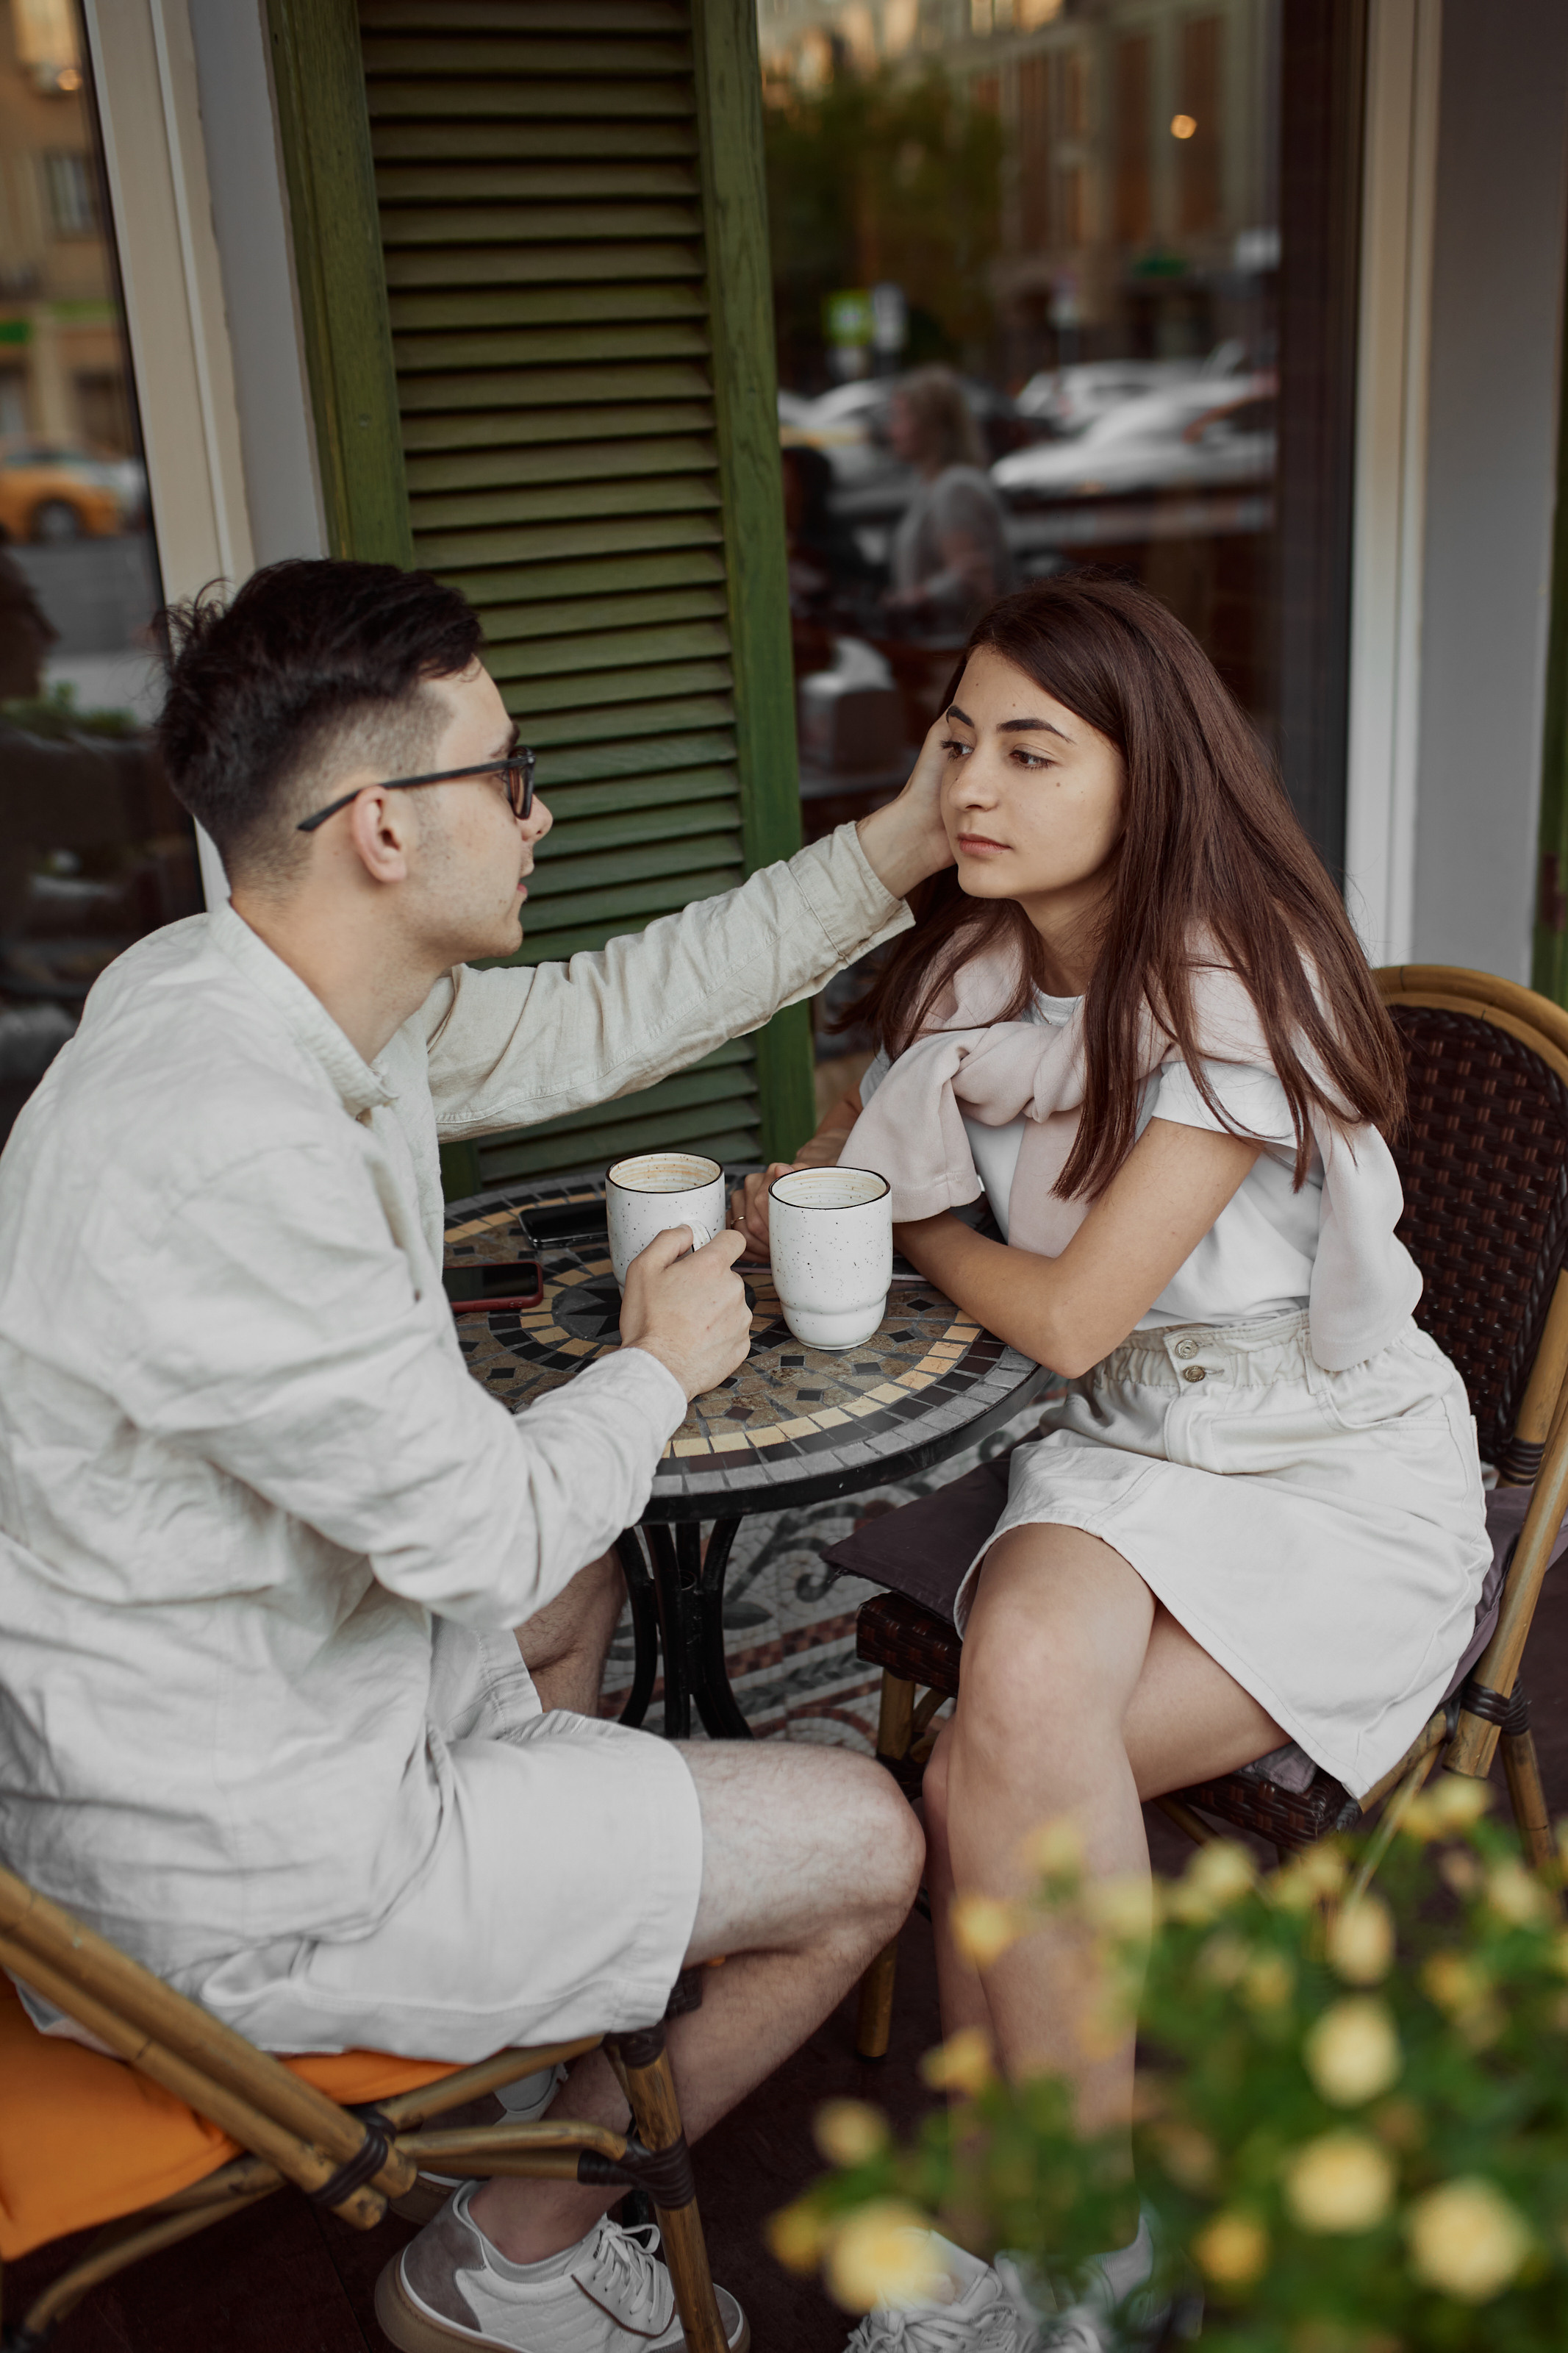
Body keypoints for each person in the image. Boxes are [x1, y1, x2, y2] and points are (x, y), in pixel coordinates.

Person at [0, 558, 942, 2353]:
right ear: (378, 826)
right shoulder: (231, 1152)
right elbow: (482, 1541)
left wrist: (890, 849)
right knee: (864, 1841)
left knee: (593, 1577)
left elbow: (612, 1008)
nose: (541, 809)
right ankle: (505, 2257)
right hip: (238, 1869)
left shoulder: (225, 989)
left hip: (212, 1705)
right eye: (506, 773)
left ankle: (540, 2023)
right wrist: (659, 1366)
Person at [734, 573, 1491, 2352]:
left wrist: (898, 1228)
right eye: (952, 742)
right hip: (1129, 1444)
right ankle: (1080, 2245)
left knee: (982, 1780)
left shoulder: (1237, 983)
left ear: (1142, 779)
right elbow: (881, 1144)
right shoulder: (989, 965)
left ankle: (1029, 2227)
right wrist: (834, 1170)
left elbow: (1068, 1313)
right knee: (1023, 1684)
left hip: (1322, 1462)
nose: (967, 785)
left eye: (1025, 748)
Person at [883, 366, 1014, 632]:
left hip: (957, 651)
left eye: (901, 417)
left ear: (932, 425)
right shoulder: (931, 484)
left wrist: (912, 599)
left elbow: (973, 577)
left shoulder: (955, 488)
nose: (891, 431)